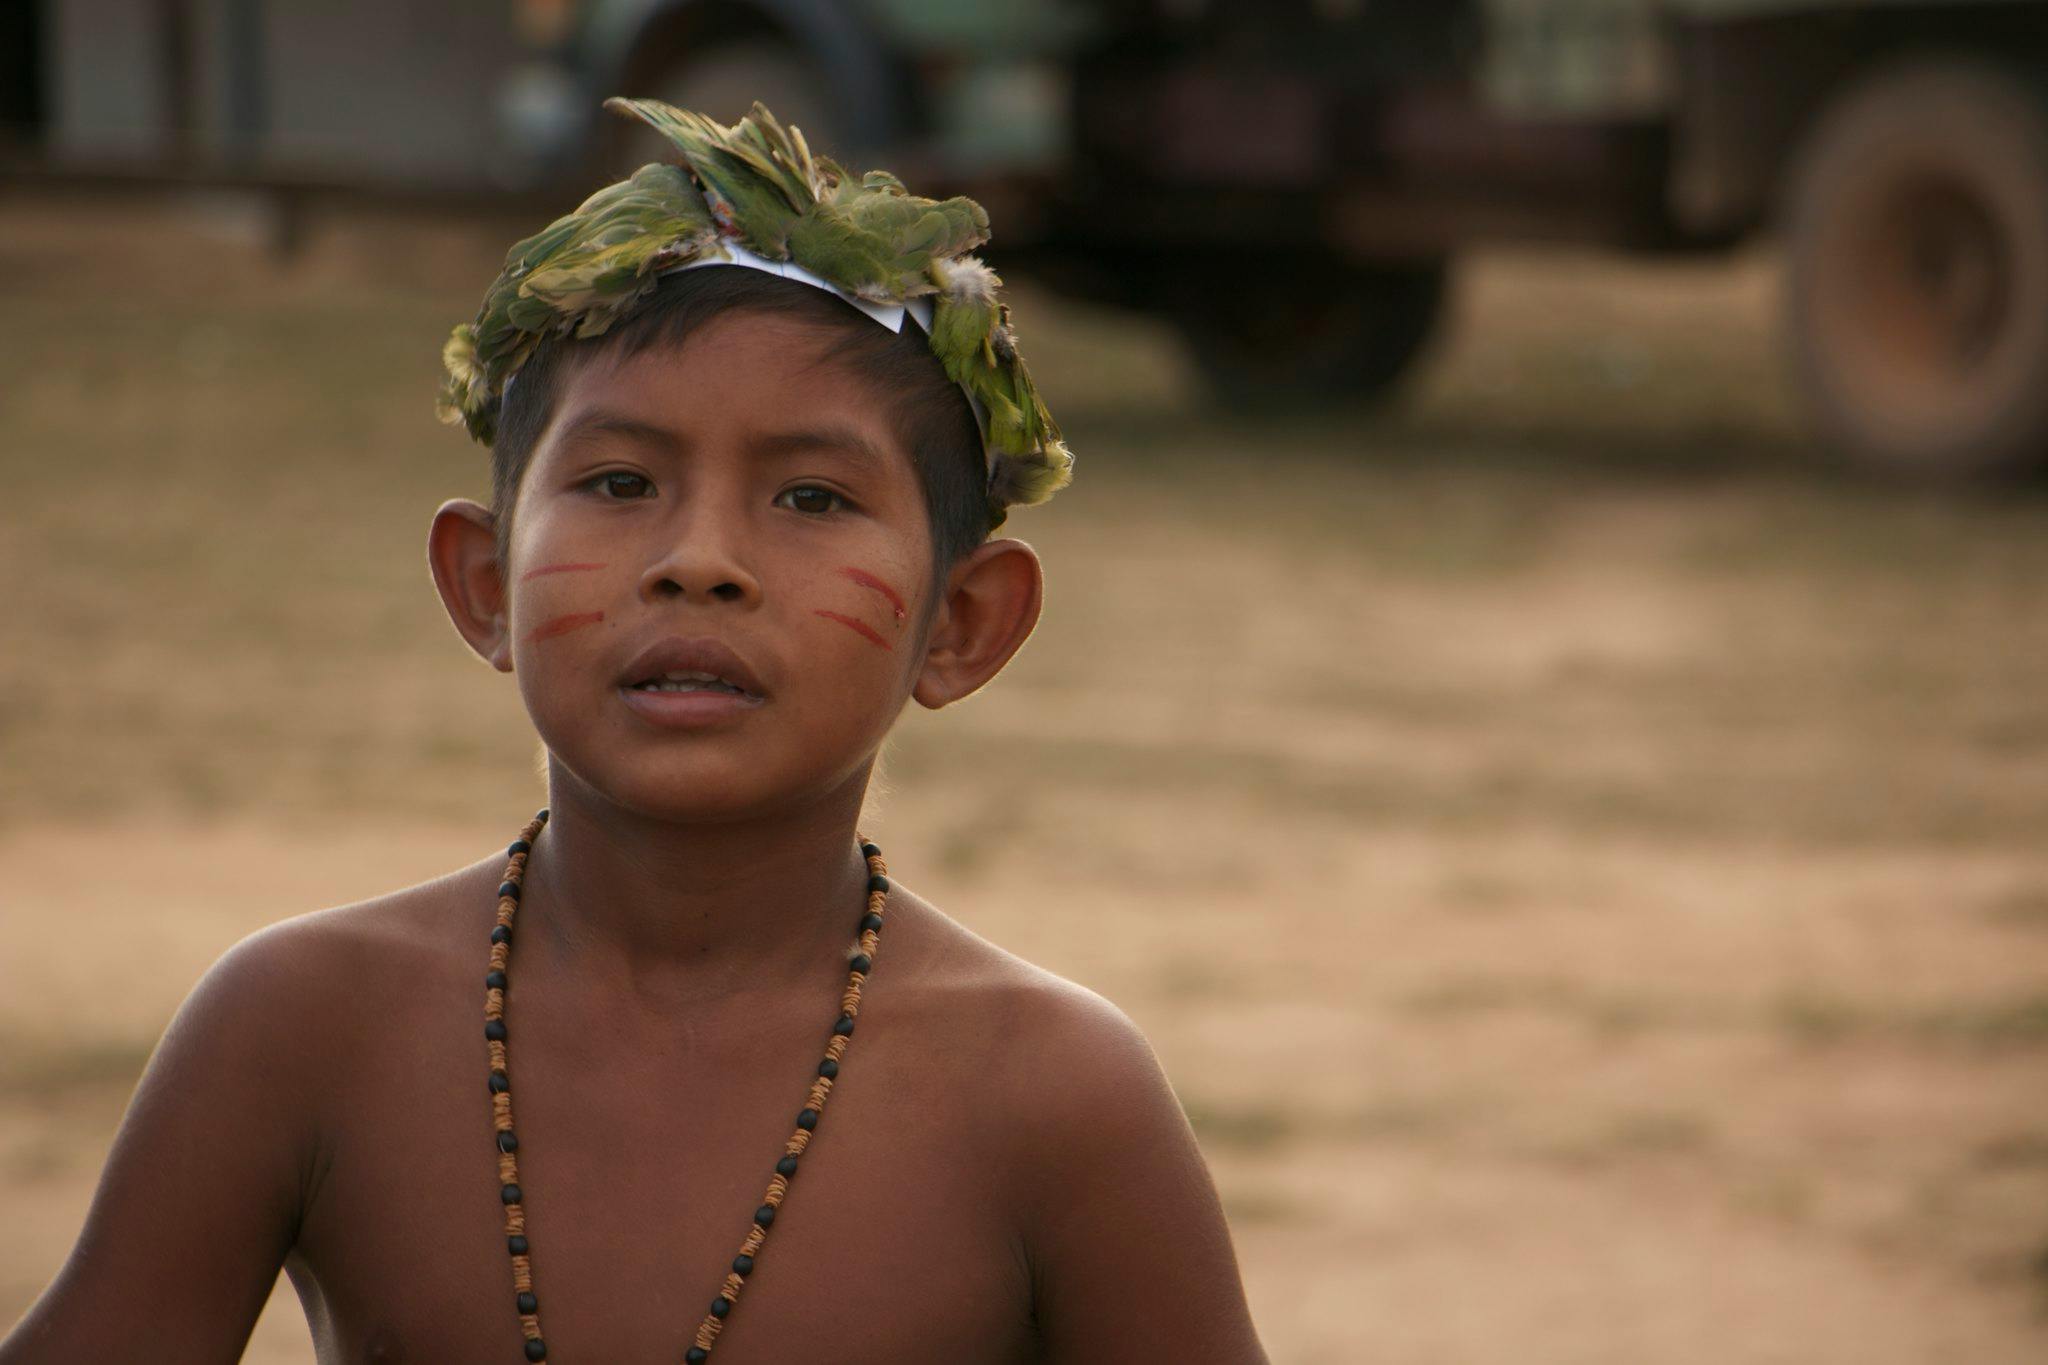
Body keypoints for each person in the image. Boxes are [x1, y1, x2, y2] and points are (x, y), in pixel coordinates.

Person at [0, 100, 1268, 1364]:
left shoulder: (1051, 1099)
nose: (699, 561)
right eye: (618, 484)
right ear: (485, 582)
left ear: (962, 624)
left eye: (811, 496)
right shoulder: (305, 1029)